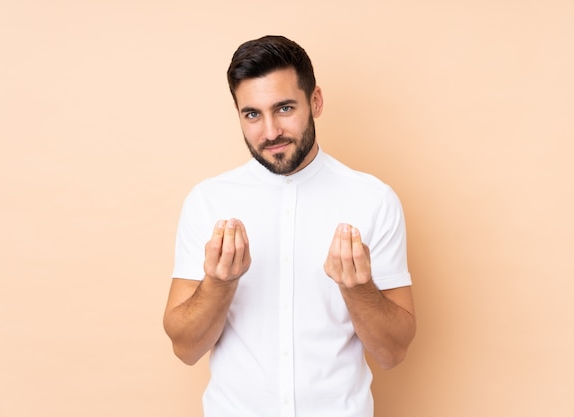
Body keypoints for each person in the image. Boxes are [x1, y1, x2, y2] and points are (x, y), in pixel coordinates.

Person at [163, 35, 416, 417]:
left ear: (315, 101)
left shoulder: (373, 200)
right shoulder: (208, 201)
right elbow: (185, 349)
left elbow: (393, 352)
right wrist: (219, 283)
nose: (269, 132)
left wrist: (358, 288)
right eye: (252, 114)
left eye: (284, 108)